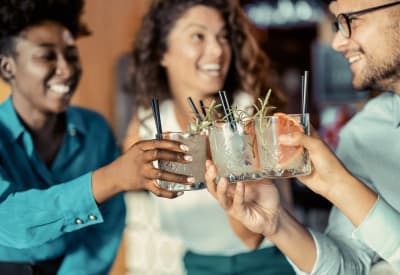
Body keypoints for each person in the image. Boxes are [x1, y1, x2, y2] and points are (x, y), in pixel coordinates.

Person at [205, 0, 400, 274]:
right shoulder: (364, 131)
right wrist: (277, 224)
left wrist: (340, 185)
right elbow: (350, 267)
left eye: (351, 20)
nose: (337, 43)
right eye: (336, 24)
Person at [0, 0, 194, 274]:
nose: (66, 69)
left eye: (71, 54)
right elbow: (7, 221)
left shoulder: (95, 129)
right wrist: (111, 178)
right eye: (47, 56)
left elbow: (106, 229)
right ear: (8, 68)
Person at [122, 0, 295, 274]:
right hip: (196, 264)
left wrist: (214, 151)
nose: (217, 50)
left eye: (223, 37)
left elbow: (252, 236)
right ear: (162, 52)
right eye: (198, 36)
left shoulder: (249, 113)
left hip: (268, 262)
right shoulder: (147, 124)